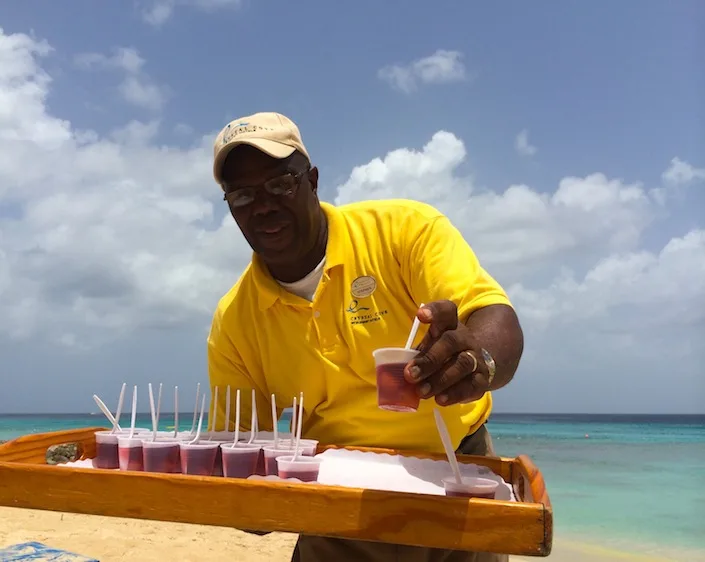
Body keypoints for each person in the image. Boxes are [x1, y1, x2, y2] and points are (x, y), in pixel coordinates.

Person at [207, 112, 524, 562]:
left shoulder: (403, 231)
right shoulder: (235, 320)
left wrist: (478, 362)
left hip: (454, 477)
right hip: (334, 505)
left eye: (280, 184)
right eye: (241, 196)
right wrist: (245, 498)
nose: (262, 206)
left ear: (312, 181)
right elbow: (241, 456)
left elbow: (494, 317)